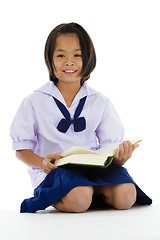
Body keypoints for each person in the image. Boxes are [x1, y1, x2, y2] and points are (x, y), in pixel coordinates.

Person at [10, 22, 152, 213]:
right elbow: (21, 148)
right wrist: (42, 162)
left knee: (126, 196)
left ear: (88, 59)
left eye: (77, 55)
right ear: (49, 60)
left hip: (93, 169)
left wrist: (119, 158)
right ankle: (72, 194)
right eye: (61, 55)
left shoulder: (99, 101)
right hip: (54, 171)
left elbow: (109, 146)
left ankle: (90, 192)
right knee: (79, 198)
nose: (69, 62)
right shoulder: (34, 101)